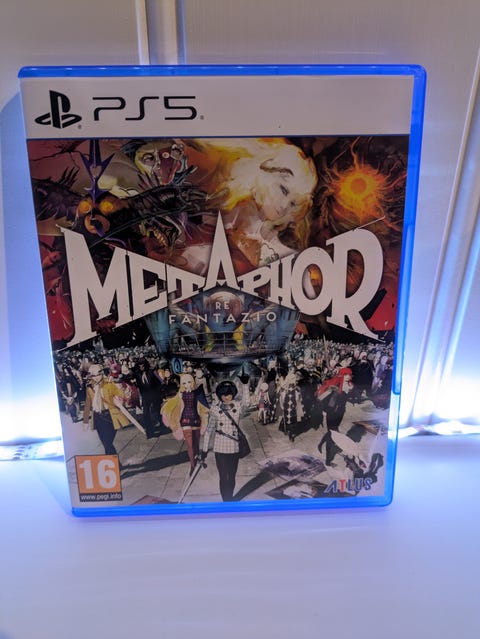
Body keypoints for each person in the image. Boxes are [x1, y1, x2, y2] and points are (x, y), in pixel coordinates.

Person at [201, 380, 248, 501]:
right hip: (220, 448)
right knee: (223, 477)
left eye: (228, 394)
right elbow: (209, 430)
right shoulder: (215, 409)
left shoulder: (238, 406)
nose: (226, 397)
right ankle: (225, 501)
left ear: (233, 394)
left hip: (233, 447)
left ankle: (229, 498)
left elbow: (247, 402)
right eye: (223, 394)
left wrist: (245, 385)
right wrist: (204, 450)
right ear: (219, 395)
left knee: (231, 476)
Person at [161, 373, 210, 472]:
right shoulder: (180, 394)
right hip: (185, 420)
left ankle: (196, 456)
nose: (187, 384)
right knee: (190, 444)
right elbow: (173, 404)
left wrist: (206, 415)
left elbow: (203, 406)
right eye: (184, 383)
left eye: (189, 382)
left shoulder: (197, 393)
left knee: (196, 443)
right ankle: (192, 464)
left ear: (192, 382)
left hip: (196, 420)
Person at [82, 363, 131, 456]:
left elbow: (121, 394)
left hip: (110, 416)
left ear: (102, 373)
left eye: (98, 374)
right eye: (94, 375)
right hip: (98, 417)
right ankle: (114, 462)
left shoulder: (109, 384)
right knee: (106, 444)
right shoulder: (89, 388)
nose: (96, 377)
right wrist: (85, 421)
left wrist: (126, 394)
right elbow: (88, 405)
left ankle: (113, 462)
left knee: (108, 442)